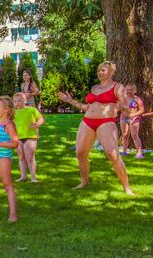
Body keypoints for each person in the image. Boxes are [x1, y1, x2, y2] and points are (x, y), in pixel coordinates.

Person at [57, 61, 134, 194]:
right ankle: (84, 182)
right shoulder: (95, 88)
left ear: (111, 72)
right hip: (87, 121)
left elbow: (127, 108)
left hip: (106, 122)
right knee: (80, 153)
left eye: (103, 70)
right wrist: (69, 100)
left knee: (113, 155)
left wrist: (122, 107)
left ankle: (127, 188)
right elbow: (87, 107)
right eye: (99, 70)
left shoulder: (118, 87)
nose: (100, 73)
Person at [12, 93, 44, 183]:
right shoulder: (13, 113)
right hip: (18, 137)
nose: (17, 103)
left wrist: (37, 124)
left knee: (29, 157)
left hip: (30, 136)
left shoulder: (31, 109)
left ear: (25, 101)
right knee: (21, 157)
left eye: (19, 101)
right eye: (15, 101)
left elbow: (41, 119)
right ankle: (23, 176)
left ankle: (33, 178)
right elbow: (10, 124)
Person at [119, 84, 146, 158]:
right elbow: (118, 107)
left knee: (134, 135)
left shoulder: (137, 99)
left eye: (131, 90)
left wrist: (134, 115)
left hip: (134, 119)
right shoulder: (123, 98)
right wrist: (120, 108)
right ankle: (124, 152)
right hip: (123, 118)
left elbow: (142, 110)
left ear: (135, 91)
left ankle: (139, 153)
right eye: (127, 89)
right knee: (125, 135)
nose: (129, 91)